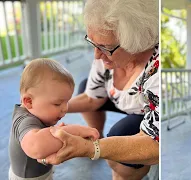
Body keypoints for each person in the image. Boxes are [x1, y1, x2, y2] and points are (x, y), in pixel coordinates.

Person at [41, 0, 159, 179]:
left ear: (138, 41)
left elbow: (154, 144)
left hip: (147, 111)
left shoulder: (157, 71)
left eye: (105, 48)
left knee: (119, 135)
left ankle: (131, 172)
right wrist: (51, 108)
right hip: (121, 99)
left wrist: (92, 149)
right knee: (85, 87)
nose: (96, 55)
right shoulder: (106, 50)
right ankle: (98, 135)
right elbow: (91, 99)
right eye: (93, 43)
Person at [9, 58, 100, 180]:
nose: (65, 109)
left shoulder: (37, 111)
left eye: (67, 102)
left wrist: (59, 134)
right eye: (57, 104)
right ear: (29, 101)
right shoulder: (25, 120)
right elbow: (36, 146)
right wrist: (74, 131)